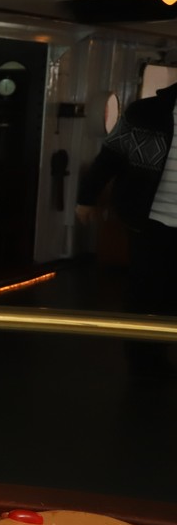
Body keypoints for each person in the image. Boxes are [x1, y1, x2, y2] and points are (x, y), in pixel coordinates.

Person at [76, 82, 177, 376]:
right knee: (145, 291)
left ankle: (158, 350)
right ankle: (142, 359)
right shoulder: (145, 113)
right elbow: (110, 157)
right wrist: (87, 197)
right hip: (149, 220)